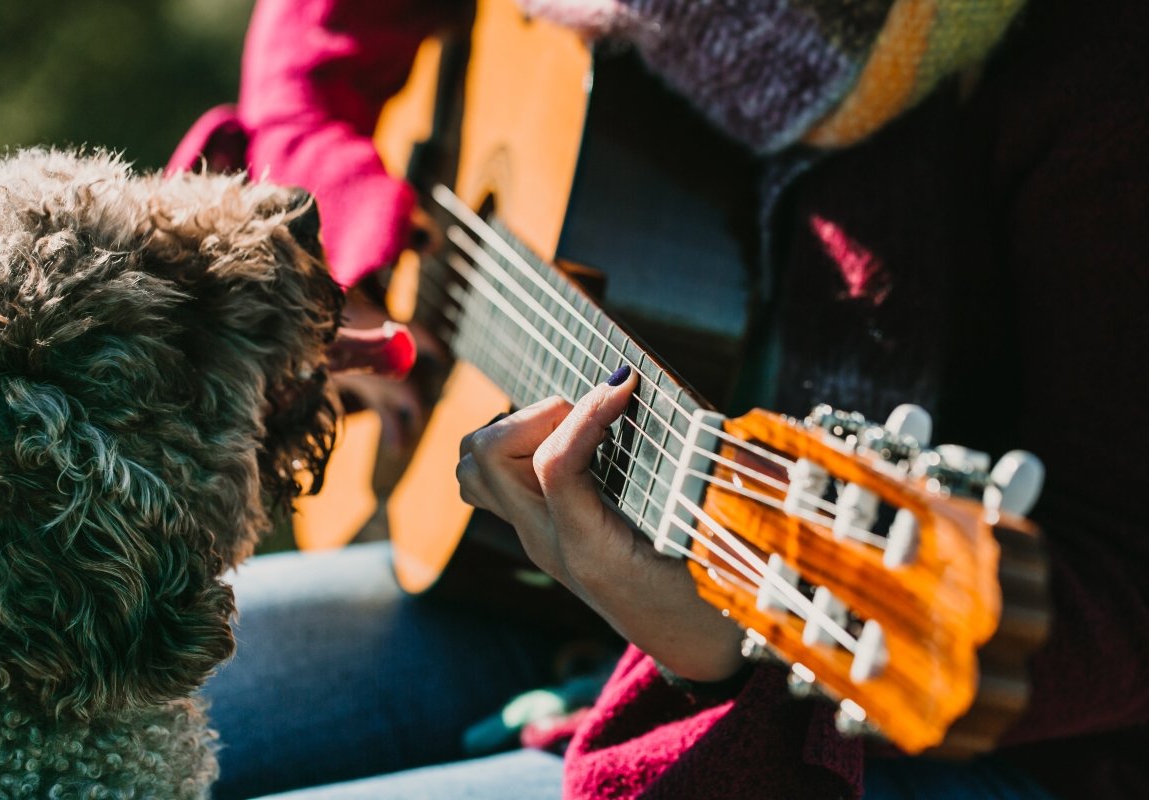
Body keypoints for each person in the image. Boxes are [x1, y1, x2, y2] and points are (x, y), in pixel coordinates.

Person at [178, 0, 1149, 797]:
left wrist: (708, 646)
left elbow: (1122, 586)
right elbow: (319, 32)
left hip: (870, 723)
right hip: (530, 594)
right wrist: (343, 213)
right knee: (80, 709)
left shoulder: (1094, 66)